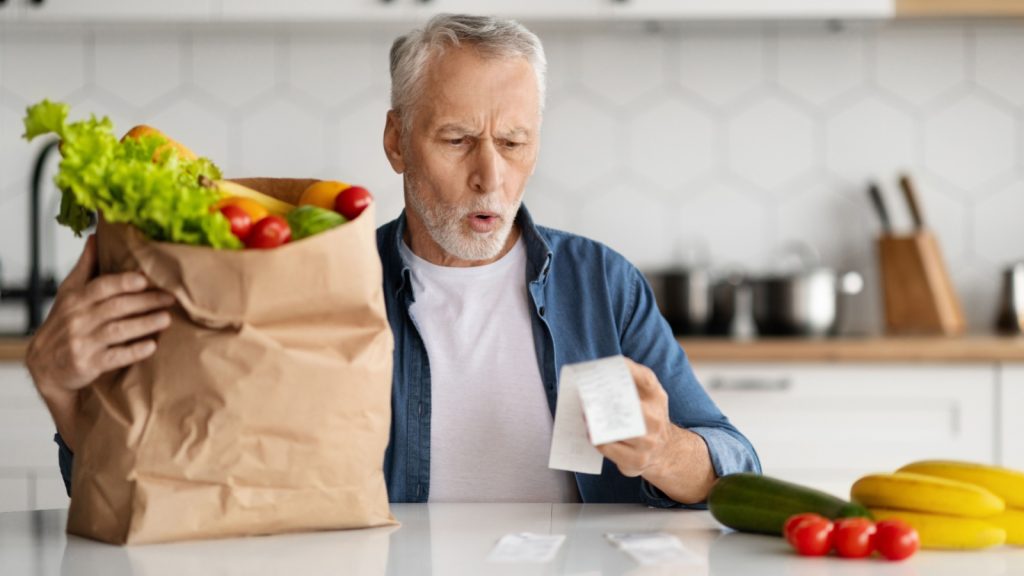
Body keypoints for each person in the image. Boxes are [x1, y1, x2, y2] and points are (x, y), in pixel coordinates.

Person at [27, 13, 760, 507]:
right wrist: (67, 400)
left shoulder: (600, 283)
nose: (490, 177)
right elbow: (167, 487)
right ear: (397, 142)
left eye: (513, 143)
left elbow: (736, 464)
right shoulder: (317, 283)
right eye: (455, 140)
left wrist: (663, 451)